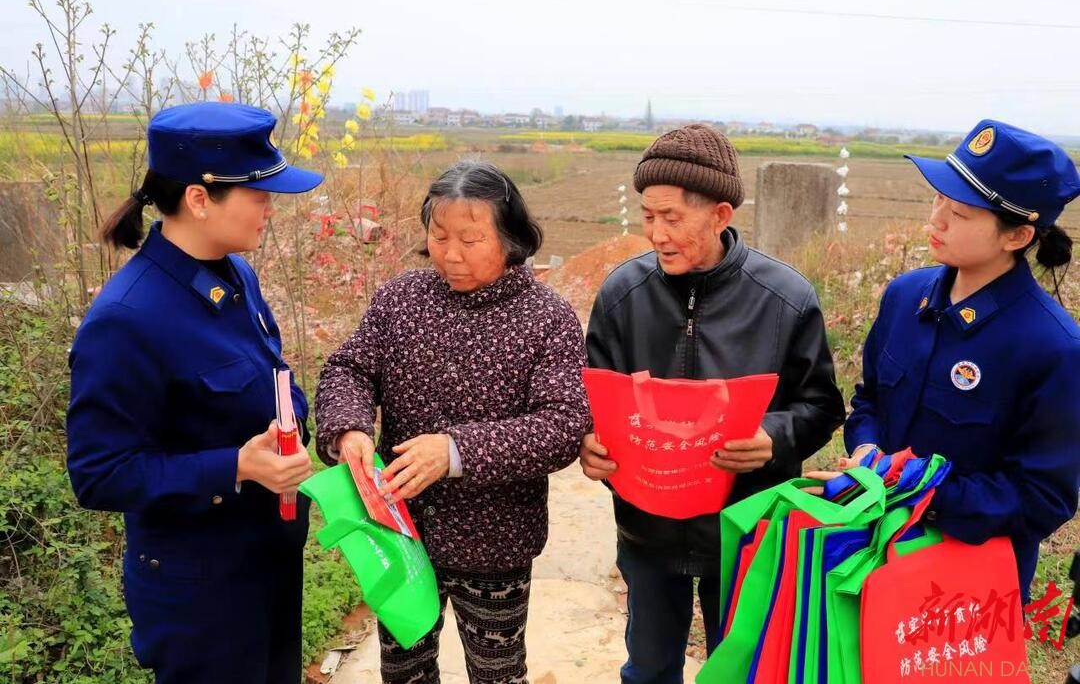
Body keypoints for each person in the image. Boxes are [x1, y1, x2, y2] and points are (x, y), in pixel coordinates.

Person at [577, 124, 846, 683]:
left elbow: (821, 406)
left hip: (747, 531)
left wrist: (773, 436)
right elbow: (594, 404)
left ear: (721, 215)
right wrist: (592, 446)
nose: (656, 234)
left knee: (740, 670)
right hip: (647, 531)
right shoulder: (622, 296)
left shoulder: (785, 299)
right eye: (648, 216)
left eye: (672, 218)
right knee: (649, 670)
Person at [67, 102, 322, 683]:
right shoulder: (127, 319)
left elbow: (269, 377)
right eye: (258, 195)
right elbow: (99, 473)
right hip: (202, 595)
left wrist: (294, 421)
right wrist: (235, 466)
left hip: (267, 565)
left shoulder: (235, 274)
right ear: (200, 199)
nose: (269, 209)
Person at [314, 160, 591, 684]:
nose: (451, 253)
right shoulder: (401, 301)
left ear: (510, 239)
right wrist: (348, 427)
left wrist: (454, 451)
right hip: (400, 532)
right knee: (404, 668)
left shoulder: (546, 317)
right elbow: (350, 368)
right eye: (439, 236)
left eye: (471, 239)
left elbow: (562, 425)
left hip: (496, 540)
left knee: (497, 671)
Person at [828, 119, 1080, 602]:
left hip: (965, 586)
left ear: (1017, 236)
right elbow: (870, 402)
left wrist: (914, 491)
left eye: (960, 213)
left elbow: (1042, 498)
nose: (936, 219)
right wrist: (866, 457)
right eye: (939, 199)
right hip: (866, 553)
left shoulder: (1052, 347)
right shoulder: (905, 297)